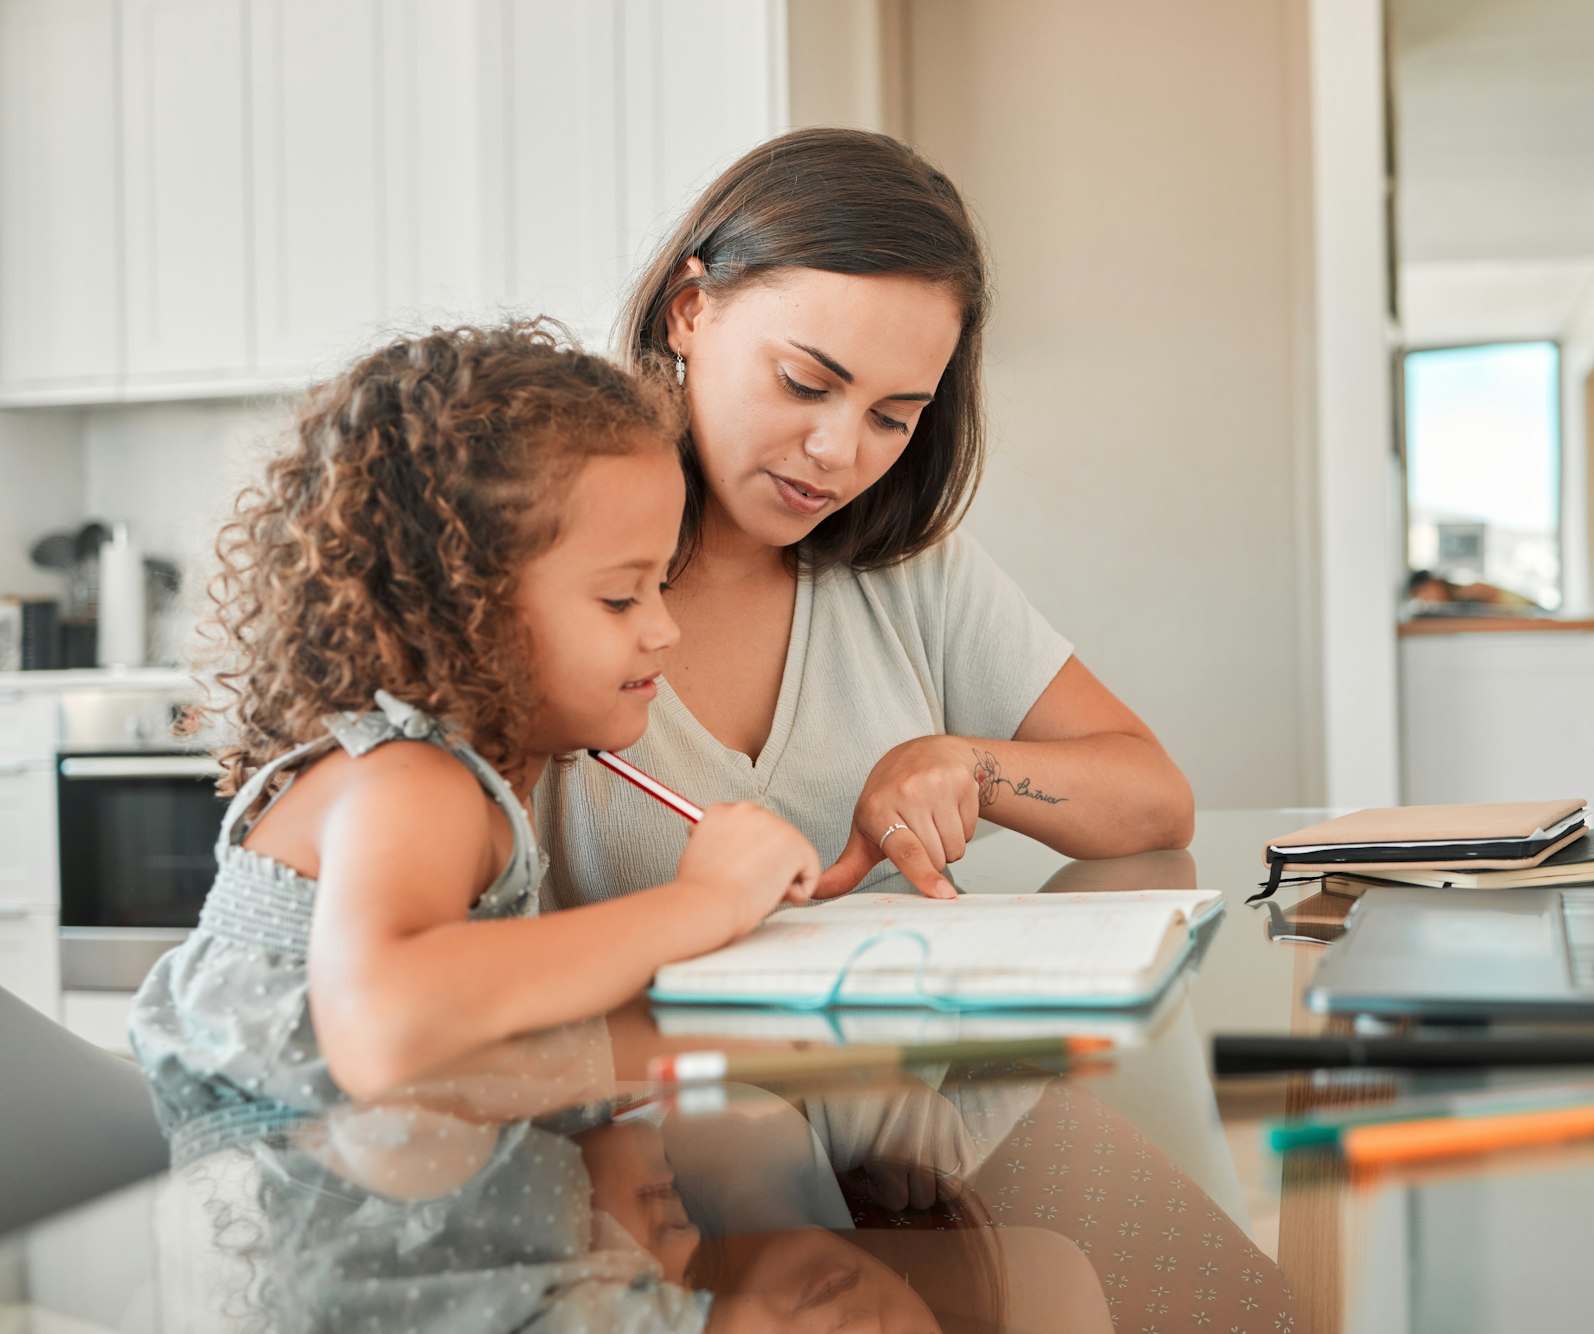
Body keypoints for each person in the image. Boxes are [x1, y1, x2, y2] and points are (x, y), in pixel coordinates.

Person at [129, 320, 823, 1142]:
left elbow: (499, 1054)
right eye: (619, 598)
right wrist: (707, 900)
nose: (664, 629)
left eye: (661, 585)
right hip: (317, 1243)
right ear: (459, 611)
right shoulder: (410, 780)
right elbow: (391, 1029)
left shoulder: (470, 781)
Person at [537, 127, 1195, 906]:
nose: (837, 452)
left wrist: (967, 767)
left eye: (892, 416)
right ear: (689, 312)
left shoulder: (910, 572)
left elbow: (1157, 800)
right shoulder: (541, 554)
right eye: (804, 384)